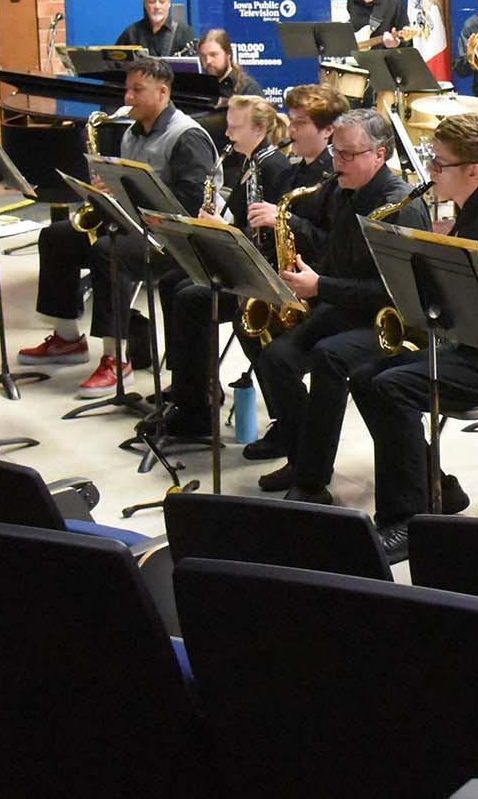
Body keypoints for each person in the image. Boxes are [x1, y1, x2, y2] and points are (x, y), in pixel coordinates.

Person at [346, 112, 478, 561]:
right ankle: (436, 485)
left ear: (474, 171)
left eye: (440, 164)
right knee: (364, 376)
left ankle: (409, 520)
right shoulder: (468, 210)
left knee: (390, 386)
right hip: (469, 346)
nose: (431, 172)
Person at [250, 108, 428, 498]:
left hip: (390, 319)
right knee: (276, 358)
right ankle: (302, 460)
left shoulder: (400, 207)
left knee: (329, 357)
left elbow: (395, 292)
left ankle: (312, 482)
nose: (337, 162)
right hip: (345, 306)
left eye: (348, 154)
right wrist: (301, 283)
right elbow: (336, 253)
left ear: (379, 155)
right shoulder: (344, 190)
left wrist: (322, 287)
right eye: (335, 152)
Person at [18, 56, 216, 396]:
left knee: (109, 253)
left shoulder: (187, 137)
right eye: (127, 89)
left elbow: (189, 206)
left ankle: (116, 359)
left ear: (163, 91)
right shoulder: (132, 133)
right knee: (57, 237)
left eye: (137, 90)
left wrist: (134, 198)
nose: (128, 98)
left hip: (177, 238)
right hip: (137, 223)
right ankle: (67, 338)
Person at [154, 96, 294, 438]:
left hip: (265, 272)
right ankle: (191, 390)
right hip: (242, 260)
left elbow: (268, 234)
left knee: (191, 297)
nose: (227, 132)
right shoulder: (245, 164)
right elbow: (234, 216)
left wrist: (225, 231)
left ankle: (196, 408)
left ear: (259, 129)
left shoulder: (274, 168)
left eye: (234, 127)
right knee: (174, 282)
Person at [237, 83, 346, 460]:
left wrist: (284, 219)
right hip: (289, 280)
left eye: (300, 123)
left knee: (279, 356)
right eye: (291, 121)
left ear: (328, 130)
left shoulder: (336, 177)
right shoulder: (294, 172)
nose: (291, 130)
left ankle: (300, 441)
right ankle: (287, 422)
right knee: (248, 327)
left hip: (322, 286)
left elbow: (333, 243)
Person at [116, 0, 195, 56]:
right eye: (152, 2)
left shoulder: (183, 32)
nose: (157, 6)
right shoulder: (131, 33)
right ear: (144, 4)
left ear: (169, 4)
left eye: (162, 2)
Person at [197, 28, 262, 102]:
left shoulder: (248, 90)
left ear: (228, 54)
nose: (208, 61)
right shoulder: (200, 88)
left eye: (213, 54)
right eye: (203, 56)